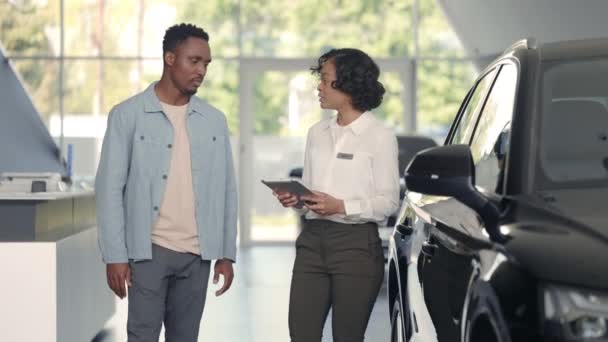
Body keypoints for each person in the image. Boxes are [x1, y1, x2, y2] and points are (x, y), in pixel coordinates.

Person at [95, 23, 237, 342]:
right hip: (149, 250)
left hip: (198, 253)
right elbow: (109, 191)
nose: (201, 70)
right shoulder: (127, 115)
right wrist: (114, 255)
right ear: (170, 58)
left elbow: (227, 190)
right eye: (194, 61)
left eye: (206, 64)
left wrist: (226, 253)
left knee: (185, 337)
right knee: (142, 335)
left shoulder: (214, 121)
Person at [275, 48, 400, 342]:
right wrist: (298, 200)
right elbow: (310, 195)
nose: (318, 87)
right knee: (301, 334)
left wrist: (341, 206)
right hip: (312, 243)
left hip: (356, 247)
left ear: (348, 83)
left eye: (325, 79)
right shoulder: (316, 133)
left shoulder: (379, 136)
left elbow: (388, 203)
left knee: (347, 337)